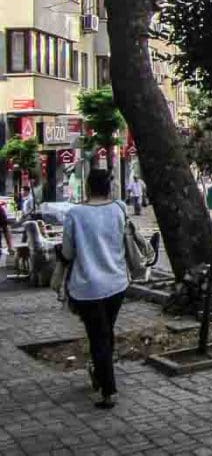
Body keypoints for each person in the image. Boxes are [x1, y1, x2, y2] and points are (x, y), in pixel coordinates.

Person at [61, 170, 128, 409]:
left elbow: (67, 252)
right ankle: (101, 374)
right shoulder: (119, 209)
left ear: (88, 188)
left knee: (98, 336)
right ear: (109, 188)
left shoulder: (76, 214)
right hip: (117, 283)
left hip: (87, 287)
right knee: (105, 331)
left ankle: (108, 390)